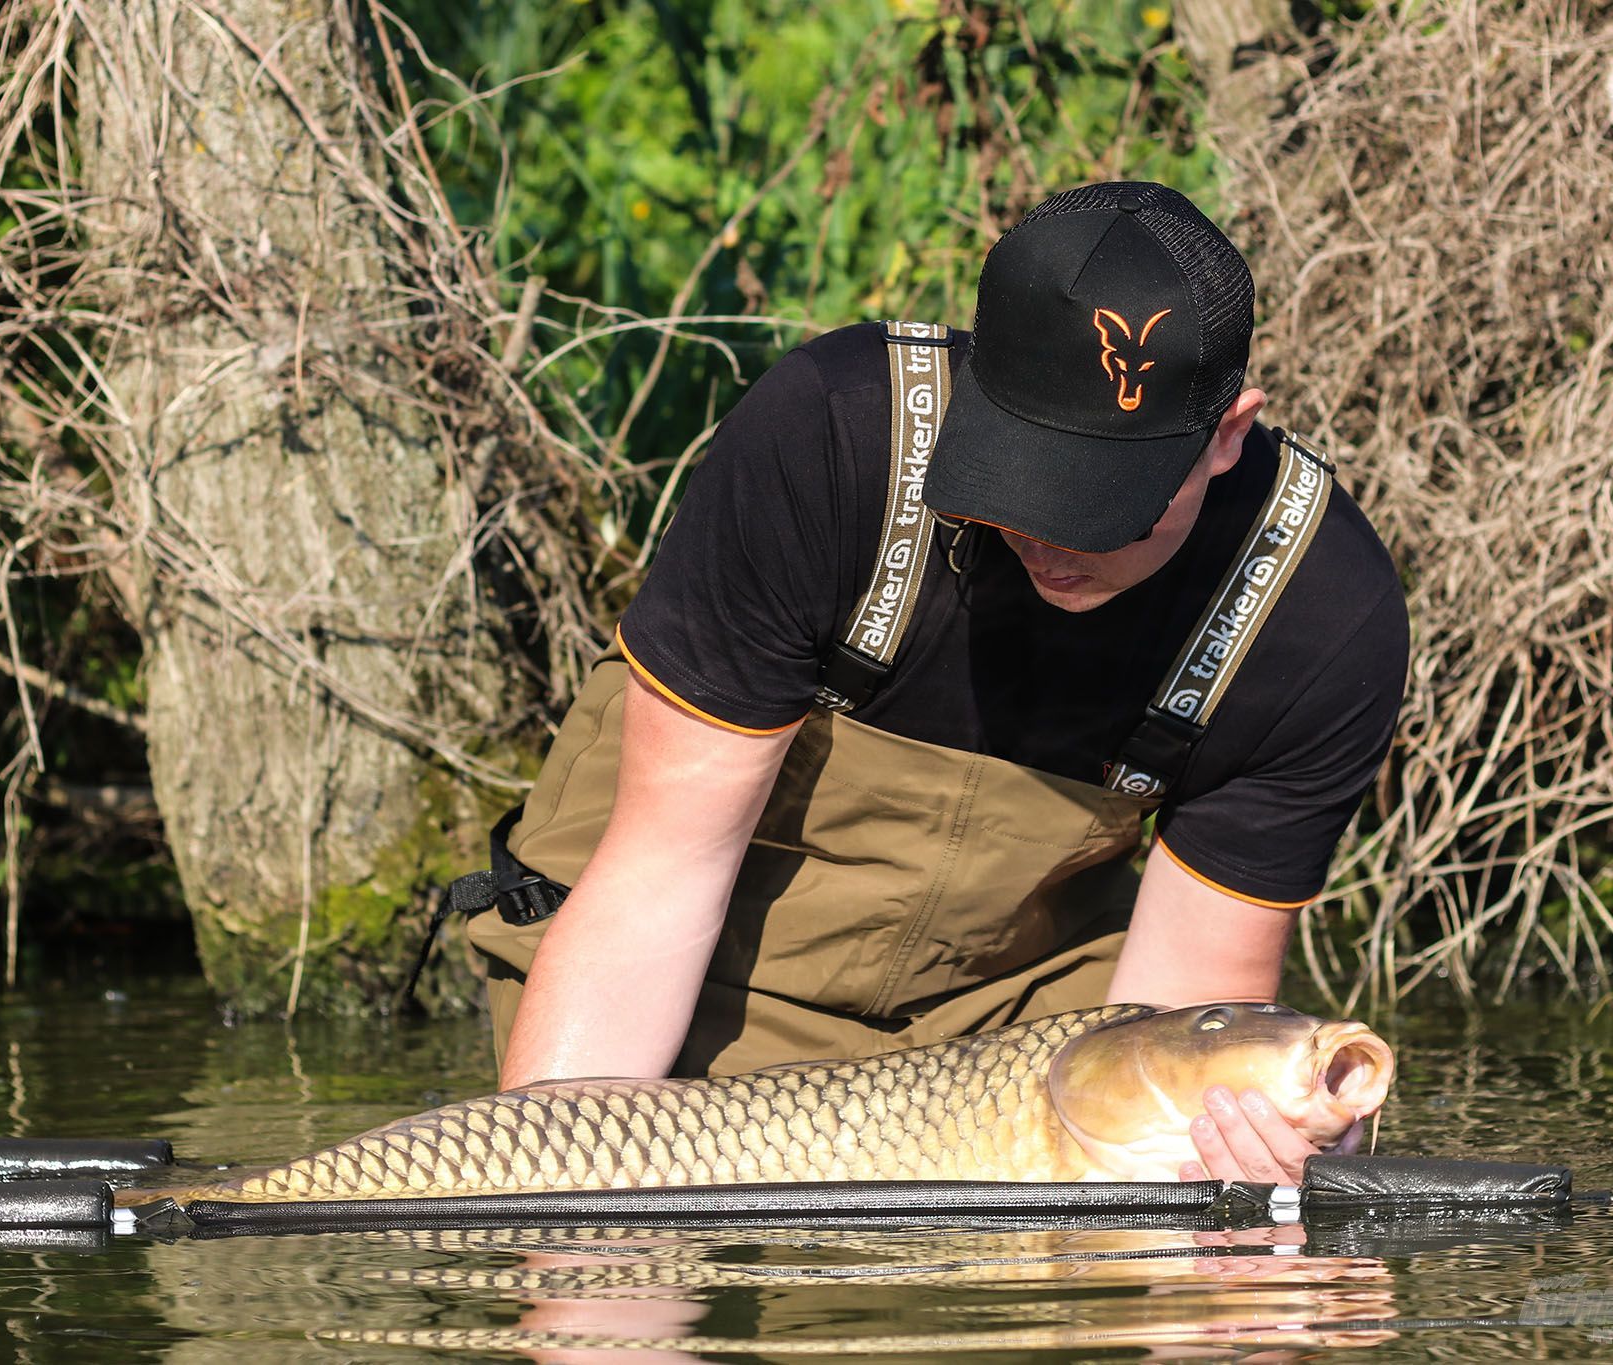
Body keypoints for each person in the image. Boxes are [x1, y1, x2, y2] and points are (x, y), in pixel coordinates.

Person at [462, 182, 1407, 1183]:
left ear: (1226, 434)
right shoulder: (829, 434)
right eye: (1014, 477)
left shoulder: (1319, 614)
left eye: (1101, 502)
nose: (1046, 539)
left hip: (1007, 1048)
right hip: (700, 986)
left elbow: (1174, 1018)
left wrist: (1220, 1185)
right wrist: (560, 1218)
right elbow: (659, 878)